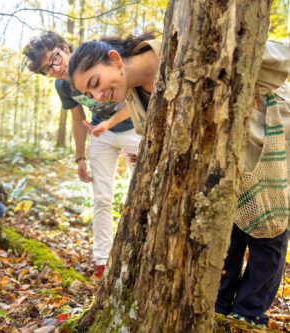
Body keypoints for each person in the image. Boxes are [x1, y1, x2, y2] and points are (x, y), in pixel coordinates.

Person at [68, 34, 290, 326]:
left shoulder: (184, 46)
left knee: (268, 229)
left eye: (95, 83)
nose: (97, 97)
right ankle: (221, 306)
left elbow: (271, 56)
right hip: (215, 167)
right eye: (90, 93)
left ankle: (249, 313)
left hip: (260, 140)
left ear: (114, 59)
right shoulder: (133, 91)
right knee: (230, 229)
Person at [23, 32, 142, 277]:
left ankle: (140, 254)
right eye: (47, 69)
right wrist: (80, 158)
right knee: (102, 198)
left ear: (64, 47)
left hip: (133, 128)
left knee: (141, 193)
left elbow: (136, 97)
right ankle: (102, 261)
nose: (55, 68)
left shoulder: (95, 57)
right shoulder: (62, 85)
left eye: (55, 59)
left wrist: (109, 124)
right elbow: (78, 118)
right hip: (101, 135)